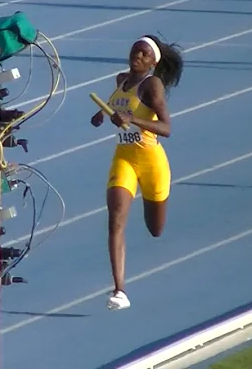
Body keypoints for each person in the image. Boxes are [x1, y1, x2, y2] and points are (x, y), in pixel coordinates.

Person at [90, 35, 183, 311]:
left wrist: (133, 120)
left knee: (155, 229)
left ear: (153, 62)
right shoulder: (121, 80)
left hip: (151, 162)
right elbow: (116, 104)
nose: (138, 56)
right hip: (124, 160)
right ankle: (119, 290)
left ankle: (155, 202)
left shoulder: (152, 85)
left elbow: (166, 128)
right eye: (136, 51)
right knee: (115, 220)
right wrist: (101, 115)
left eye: (144, 54)